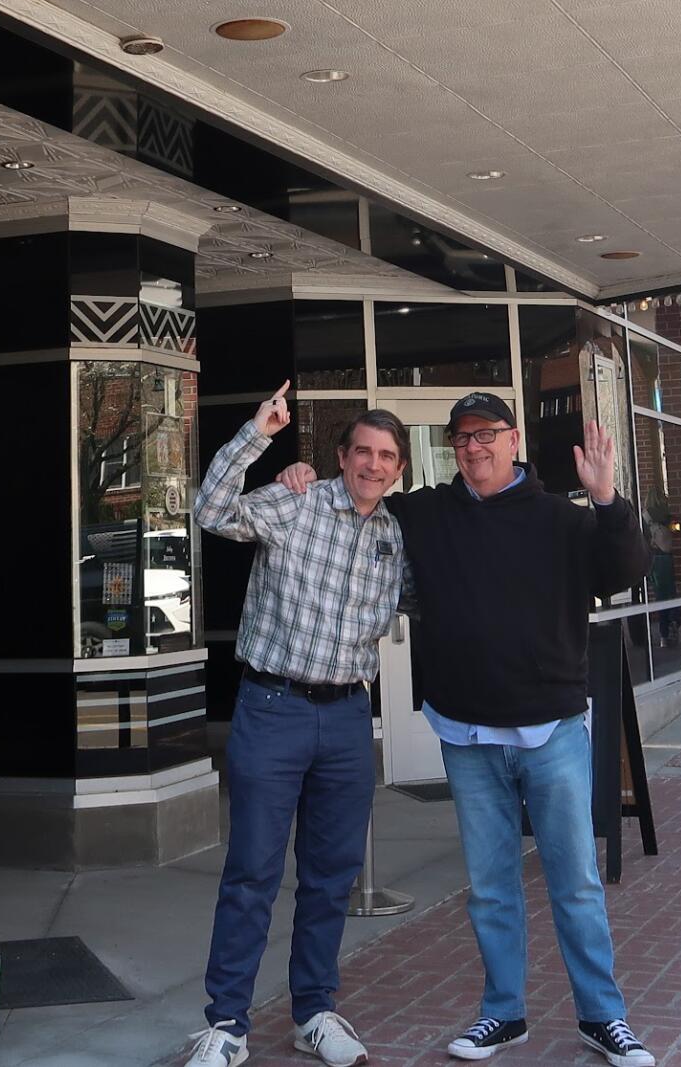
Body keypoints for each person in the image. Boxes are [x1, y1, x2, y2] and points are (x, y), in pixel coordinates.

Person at [382, 392, 656, 1067]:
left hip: (551, 730)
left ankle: (603, 1016)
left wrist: (608, 499)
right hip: (466, 734)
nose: (472, 448)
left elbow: (624, 571)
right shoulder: (426, 512)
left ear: (512, 438)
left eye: (484, 435)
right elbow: (358, 501)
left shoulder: (561, 519)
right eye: (460, 438)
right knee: (492, 886)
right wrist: (308, 479)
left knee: (576, 881)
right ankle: (502, 1014)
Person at [180, 383, 411, 1067]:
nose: (373, 464)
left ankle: (314, 1010)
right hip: (273, 708)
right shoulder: (297, 499)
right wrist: (261, 435)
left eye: (387, 456)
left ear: (399, 468)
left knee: (331, 873)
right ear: (342, 456)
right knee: (251, 869)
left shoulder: (394, 537)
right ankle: (226, 1023)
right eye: (363, 451)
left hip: (345, 716)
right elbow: (210, 509)